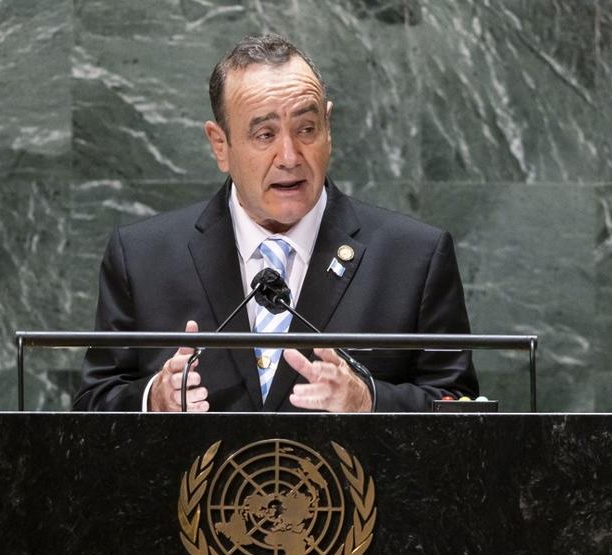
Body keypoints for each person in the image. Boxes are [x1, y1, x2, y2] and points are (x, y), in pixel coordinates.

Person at [73, 33, 478, 413]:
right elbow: (92, 404)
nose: (289, 156)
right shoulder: (143, 258)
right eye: (265, 134)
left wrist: (369, 399)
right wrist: (152, 400)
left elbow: (462, 409)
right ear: (220, 144)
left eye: (306, 129)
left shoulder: (413, 258)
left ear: (328, 128)